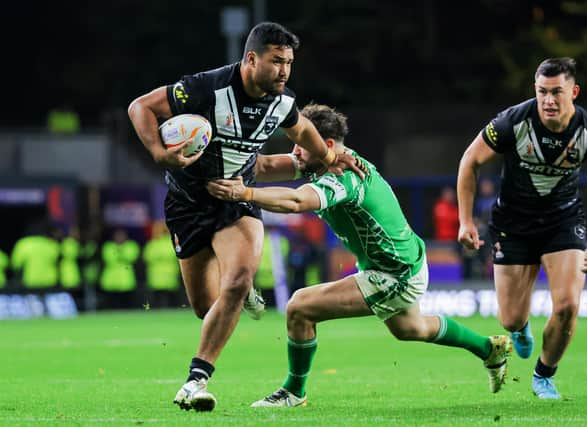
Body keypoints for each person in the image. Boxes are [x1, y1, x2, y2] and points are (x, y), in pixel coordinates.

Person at [207, 103, 513, 407]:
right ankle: (489, 348)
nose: (296, 152)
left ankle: (293, 391)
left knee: (299, 306)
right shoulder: (321, 158)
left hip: (394, 273)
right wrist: (215, 153)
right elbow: (264, 167)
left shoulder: (345, 176)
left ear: (325, 145)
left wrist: (244, 193)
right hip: (403, 261)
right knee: (411, 328)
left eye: (300, 145)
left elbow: (297, 201)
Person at [127, 22, 365, 411]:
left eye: (288, 63)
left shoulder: (282, 102)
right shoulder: (206, 88)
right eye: (276, 62)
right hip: (187, 204)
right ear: (251, 59)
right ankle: (238, 294)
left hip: (237, 203)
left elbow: (303, 130)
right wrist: (159, 152)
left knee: (236, 282)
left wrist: (329, 157)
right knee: (208, 308)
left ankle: (195, 381)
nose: (284, 71)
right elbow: (141, 107)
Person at [456, 58, 587, 399]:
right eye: (542, 91)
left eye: (557, 92)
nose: (549, 100)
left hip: (563, 222)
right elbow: (470, 161)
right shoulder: (512, 121)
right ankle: (520, 328)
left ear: (573, 92)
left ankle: (544, 375)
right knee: (511, 319)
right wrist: (466, 220)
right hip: (512, 225)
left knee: (568, 306)